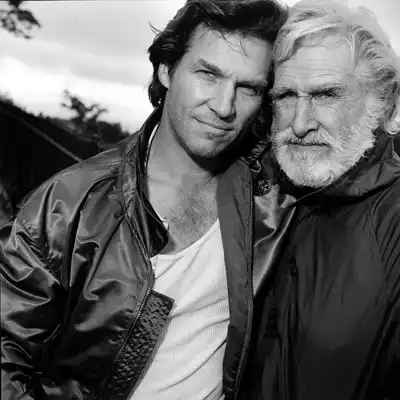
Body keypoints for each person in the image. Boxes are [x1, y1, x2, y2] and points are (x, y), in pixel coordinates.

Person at [0, 1, 290, 399]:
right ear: (166, 69)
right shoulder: (67, 206)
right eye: (208, 74)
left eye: (248, 88)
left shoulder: (268, 198)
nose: (224, 106)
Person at [240, 0, 400, 399]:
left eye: (326, 95)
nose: (299, 123)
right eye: (285, 96)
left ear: (384, 103)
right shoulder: (253, 190)